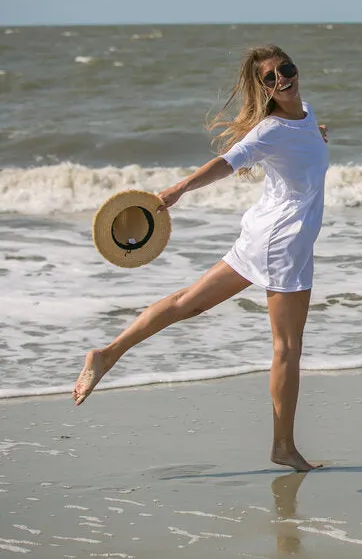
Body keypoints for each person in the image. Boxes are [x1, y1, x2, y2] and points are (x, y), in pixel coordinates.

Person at [72, 45, 329, 472]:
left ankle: (108, 353)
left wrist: (316, 135)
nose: (282, 78)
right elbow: (226, 163)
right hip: (285, 244)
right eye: (270, 78)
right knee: (287, 348)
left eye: (285, 69)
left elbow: (299, 151)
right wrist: (180, 188)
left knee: (187, 302)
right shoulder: (269, 130)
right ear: (262, 89)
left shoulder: (304, 116)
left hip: (265, 237)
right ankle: (282, 447)